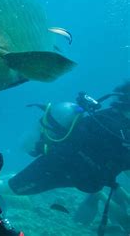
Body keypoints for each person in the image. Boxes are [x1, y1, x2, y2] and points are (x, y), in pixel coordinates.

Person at [7, 81, 130, 234]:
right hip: (62, 165)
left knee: (13, 187)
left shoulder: (113, 120)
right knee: (13, 188)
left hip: (77, 171)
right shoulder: (116, 127)